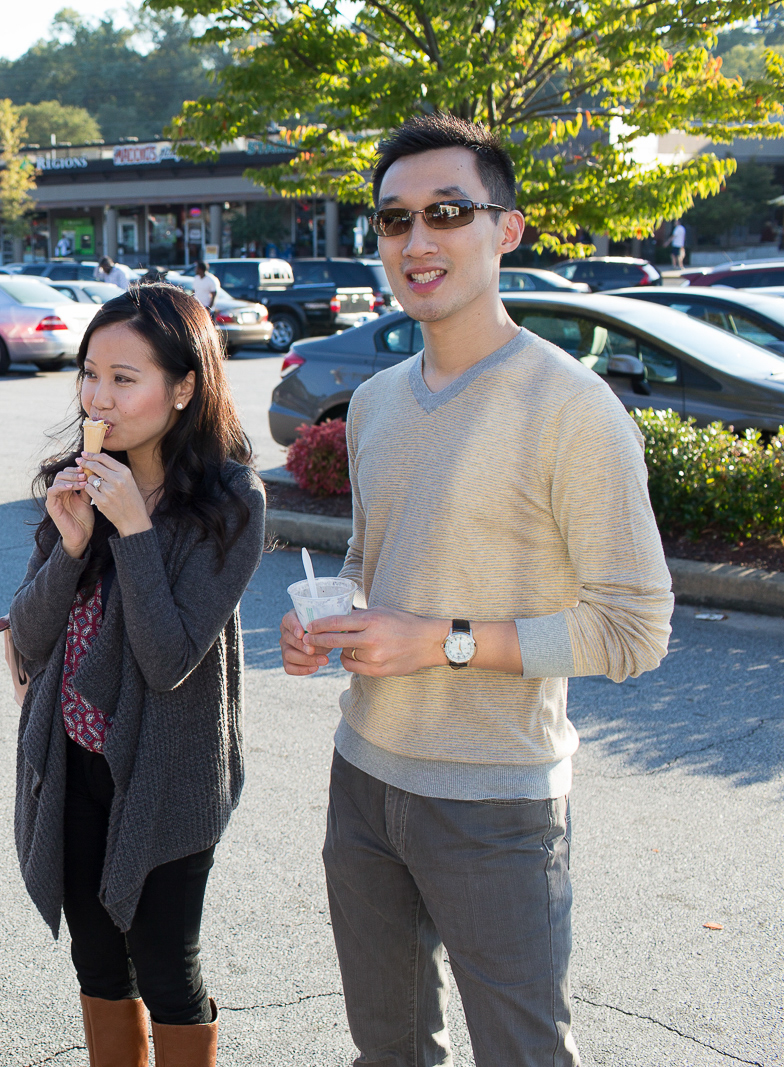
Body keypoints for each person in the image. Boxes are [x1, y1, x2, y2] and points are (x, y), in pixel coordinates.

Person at [281, 113, 673, 1066]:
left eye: (449, 211)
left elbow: (633, 628)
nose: (417, 240)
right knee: (389, 1049)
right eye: (393, 219)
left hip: (498, 801)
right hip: (363, 778)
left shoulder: (573, 408)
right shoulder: (374, 402)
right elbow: (371, 566)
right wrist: (328, 620)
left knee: (523, 1054)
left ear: (507, 229)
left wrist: (444, 640)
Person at [10, 284, 266, 1066]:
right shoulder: (79, 474)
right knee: (96, 959)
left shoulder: (230, 502)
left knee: (165, 964)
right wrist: (74, 542)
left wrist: (134, 530)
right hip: (75, 758)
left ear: (183, 386)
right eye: (91, 374)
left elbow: (168, 660)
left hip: (170, 769)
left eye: (126, 378)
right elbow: (27, 635)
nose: (100, 397)